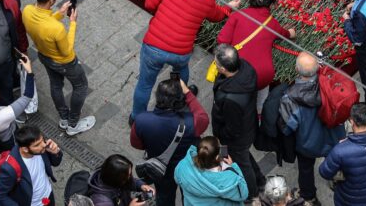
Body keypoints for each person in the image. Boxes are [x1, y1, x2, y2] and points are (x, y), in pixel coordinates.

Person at [131, 0, 240, 120]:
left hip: (154, 47)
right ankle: (181, 93)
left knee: (145, 85)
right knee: (180, 70)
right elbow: (217, 16)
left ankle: (136, 118)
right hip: (180, 52)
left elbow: (149, 3)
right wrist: (229, 7)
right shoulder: (208, 0)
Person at [22, 0, 95, 136]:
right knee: (81, 87)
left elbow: (43, 25)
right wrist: (73, 23)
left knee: (56, 85)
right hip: (65, 63)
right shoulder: (56, 28)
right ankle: (73, 124)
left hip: (44, 56)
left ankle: (63, 118)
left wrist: (59, 14)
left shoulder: (27, 10)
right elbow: (66, 50)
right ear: (52, 0)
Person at [278, 52, 345, 206]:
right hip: (334, 136)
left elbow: (288, 128)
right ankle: (337, 180)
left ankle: (309, 197)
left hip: (307, 144)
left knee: (306, 169)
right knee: (335, 160)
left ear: (296, 69)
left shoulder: (290, 98)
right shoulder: (330, 84)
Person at [217, 0, 296, 113]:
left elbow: (222, 41)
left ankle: (224, 106)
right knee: (261, 94)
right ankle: (258, 114)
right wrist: (292, 33)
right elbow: (286, 34)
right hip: (262, 76)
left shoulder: (239, 15)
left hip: (236, 71)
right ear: (271, 5)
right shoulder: (272, 23)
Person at [131, 78, 209, 206]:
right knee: (189, 193)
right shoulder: (191, 122)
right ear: (180, 101)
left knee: (164, 196)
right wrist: (188, 93)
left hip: (161, 169)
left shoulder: (141, 120)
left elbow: (136, 144)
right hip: (187, 167)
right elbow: (203, 118)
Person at [211, 44, 264, 202]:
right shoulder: (247, 70)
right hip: (248, 126)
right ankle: (260, 180)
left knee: (241, 162)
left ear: (223, 69)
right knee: (244, 156)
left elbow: (232, 128)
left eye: (216, 63)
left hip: (235, 137)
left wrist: (221, 137)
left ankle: (251, 193)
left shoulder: (231, 99)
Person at [0, 125, 63, 206]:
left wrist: (56, 152)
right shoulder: (10, 168)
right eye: (37, 145)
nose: (43, 145)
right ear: (25, 149)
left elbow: (55, 163)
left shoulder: (41, 148)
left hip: (48, 195)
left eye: (42, 140)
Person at [174, 136, 249, 206]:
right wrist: (233, 167)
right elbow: (243, 194)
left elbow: (177, 179)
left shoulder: (183, 165)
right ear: (217, 157)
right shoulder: (229, 178)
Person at [87, 154, 155, 206]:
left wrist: (141, 185)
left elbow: (130, 181)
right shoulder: (101, 201)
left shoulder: (110, 176)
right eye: (128, 175)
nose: (130, 176)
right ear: (118, 179)